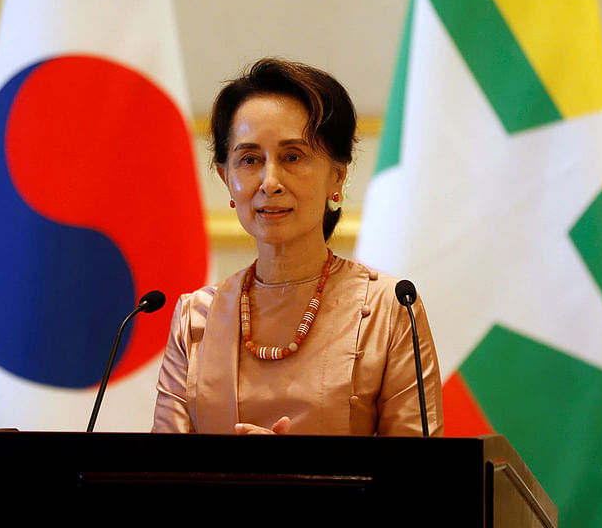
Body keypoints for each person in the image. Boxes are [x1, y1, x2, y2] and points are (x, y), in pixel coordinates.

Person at [153, 58, 443, 436]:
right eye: (250, 160)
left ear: (337, 175)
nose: (270, 181)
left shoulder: (391, 310)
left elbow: (421, 483)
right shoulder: (196, 320)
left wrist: (291, 479)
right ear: (227, 179)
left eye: (292, 157)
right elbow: (159, 479)